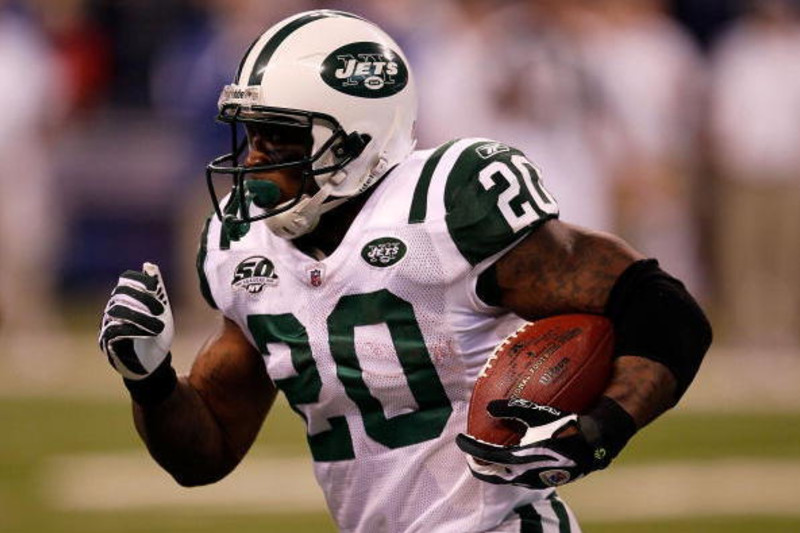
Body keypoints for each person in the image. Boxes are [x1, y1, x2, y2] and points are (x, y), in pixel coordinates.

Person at [98, 10, 712, 532]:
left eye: (279, 138)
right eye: (250, 135)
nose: (253, 159)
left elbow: (663, 311)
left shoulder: (446, 205)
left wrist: (599, 430)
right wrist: (149, 381)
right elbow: (205, 456)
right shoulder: (241, 246)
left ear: (355, 140)